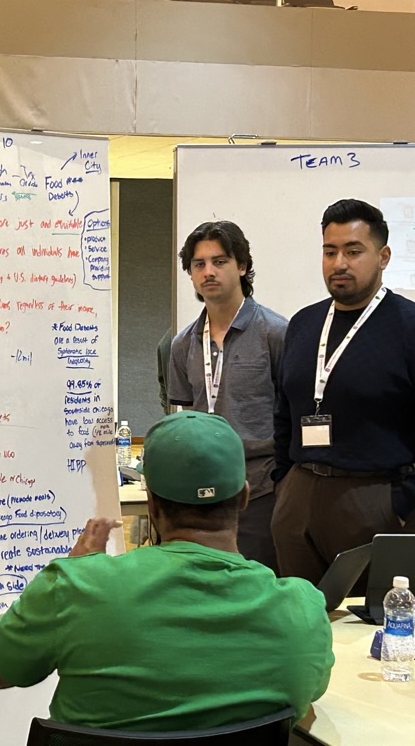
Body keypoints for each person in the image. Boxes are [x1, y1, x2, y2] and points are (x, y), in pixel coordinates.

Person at [0, 411, 333, 731]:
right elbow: (309, 692)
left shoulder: (78, 586)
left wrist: (69, 572)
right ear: (244, 497)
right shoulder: (302, 609)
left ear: (152, 503)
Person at [271, 198, 415, 586]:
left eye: (354, 251)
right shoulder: (303, 324)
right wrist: (284, 482)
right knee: (303, 621)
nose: (339, 263)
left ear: (383, 256)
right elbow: (284, 411)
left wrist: (404, 501)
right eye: (330, 251)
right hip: (299, 497)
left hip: (377, 499)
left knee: (377, 629)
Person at [167, 221, 287, 571]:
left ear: (243, 266)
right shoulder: (182, 345)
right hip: (201, 490)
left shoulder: (276, 333)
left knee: (257, 589)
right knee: (205, 591)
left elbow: (293, 414)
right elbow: (184, 419)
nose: (208, 272)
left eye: (219, 262)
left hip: (262, 489)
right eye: (198, 264)